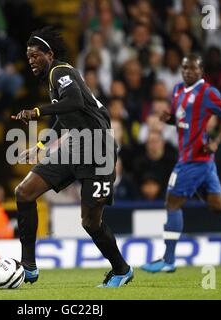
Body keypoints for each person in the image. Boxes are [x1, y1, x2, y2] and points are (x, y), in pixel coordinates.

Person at [11, 27, 133, 288]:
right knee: (24, 192)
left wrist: (36, 112)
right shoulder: (54, 80)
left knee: (90, 222)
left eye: (35, 55)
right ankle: (29, 266)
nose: (31, 60)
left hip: (98, 149)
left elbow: (75, 102)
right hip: (77, 146)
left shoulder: (61, 71)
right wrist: (42, 144)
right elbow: (66, 116)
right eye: (28, 56)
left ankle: (122, 270)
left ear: (50, 54)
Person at [140, 54, 221, 273]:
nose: (188, 72)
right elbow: (183, 119)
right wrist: (170, 119)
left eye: (192, 69)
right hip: (199, 160)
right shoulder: (177, 90)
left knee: (172, 203)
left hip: (194, 160)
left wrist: (217, 141)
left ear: (201, 71)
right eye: (185, 68)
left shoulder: (207, 92)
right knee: (217, 205)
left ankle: (168, 259)